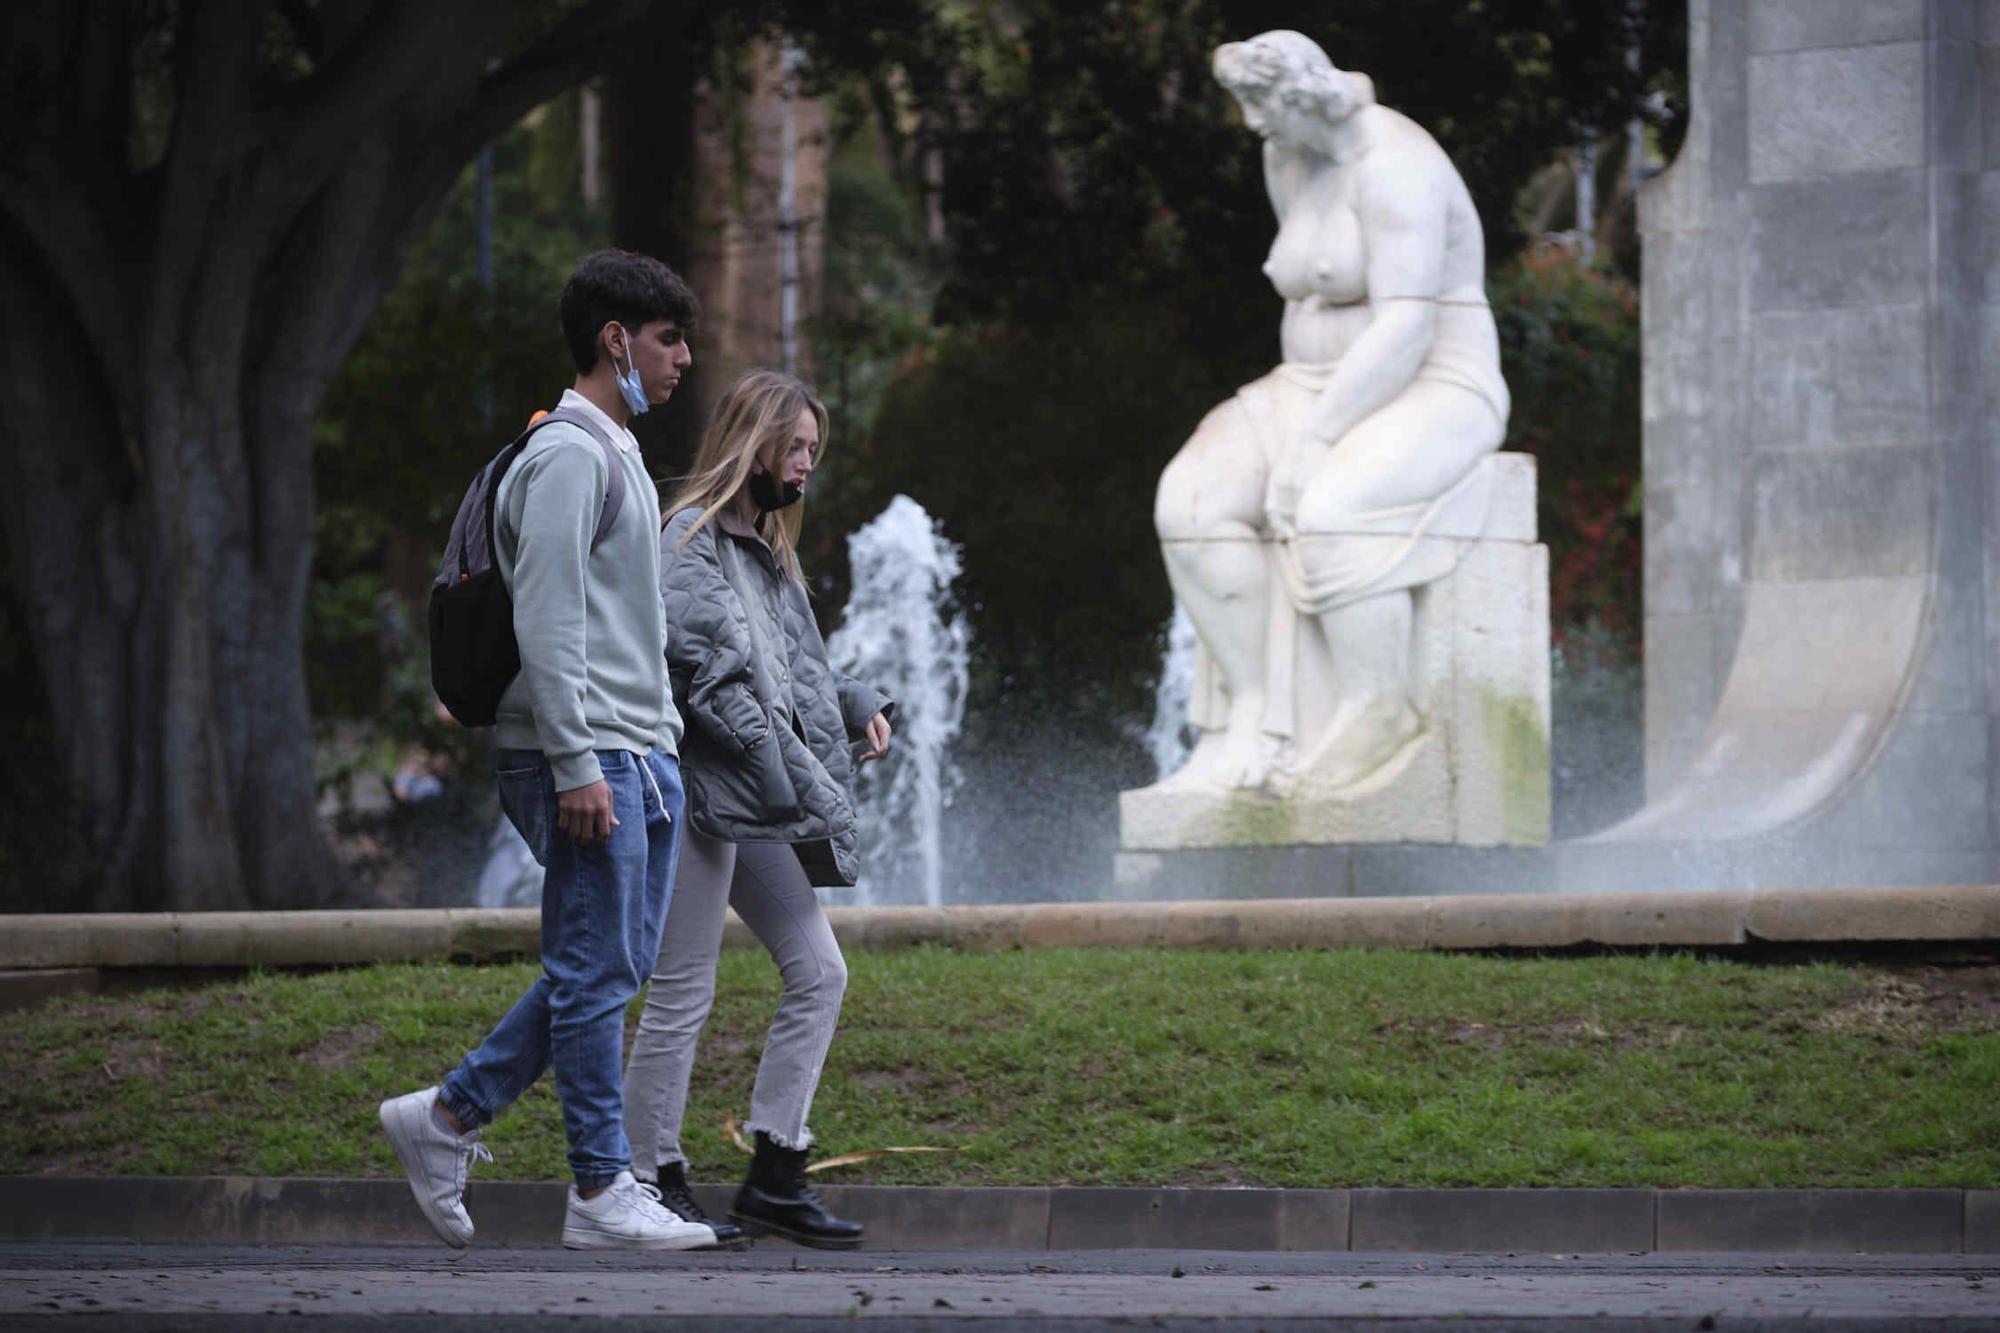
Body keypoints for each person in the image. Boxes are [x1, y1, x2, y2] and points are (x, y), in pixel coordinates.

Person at [379, 249, 714, 1252]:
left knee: (606, 964)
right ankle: (599, 1188)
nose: (684, 359)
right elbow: (551, 616)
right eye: (667, 339)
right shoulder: (566, 456)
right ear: (615, 340)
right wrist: (574, 764)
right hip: (585, 750)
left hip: (638, 746)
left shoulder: (612, 452)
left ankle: (445, 1117)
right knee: (597, 967)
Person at [1154, 30, 1510, 795]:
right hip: (1307, 381)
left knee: (1331, 508)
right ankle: (1250, 718)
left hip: (1435, 382)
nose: (1253, 125)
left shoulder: (1396, 169)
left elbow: (1406, 327)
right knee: (1188, 503)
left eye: (1262, 107)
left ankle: (1380, 705)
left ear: (1302, 96)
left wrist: (1314, 441)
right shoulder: (1288, 153)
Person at [623, 369, 893, 1250]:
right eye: (797, 446)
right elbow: (702, 672)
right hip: (706, 794)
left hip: (759, 793)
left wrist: (853, 704)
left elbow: (796, 665)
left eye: (815, 447)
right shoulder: (688, 540)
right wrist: (767, 752)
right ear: (755, 444)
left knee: (821, 970)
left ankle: (776, 1171)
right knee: (682, 992)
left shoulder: (767, 548)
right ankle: (646, 1177)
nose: (808, 463)